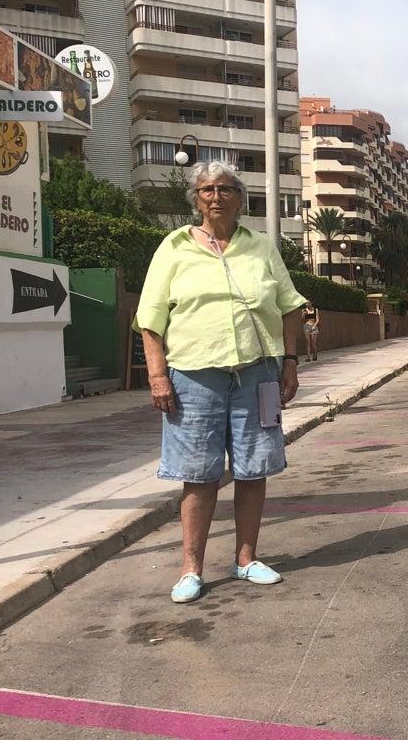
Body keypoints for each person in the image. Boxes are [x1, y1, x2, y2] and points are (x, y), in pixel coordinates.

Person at [135, 161, 305, 604]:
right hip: (194, 376)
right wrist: (157, 377)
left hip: (258, 373)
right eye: (207, 189)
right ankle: (190, 569)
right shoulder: (173, 248)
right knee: (198, 475)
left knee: (255, 468)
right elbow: (150, 320)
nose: (216, 196)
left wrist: (289, 362)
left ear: (239, 198)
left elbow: (290, 307)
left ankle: (246, 559)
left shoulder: (261, 247)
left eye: (226, 189)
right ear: (196, 199)